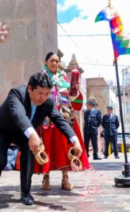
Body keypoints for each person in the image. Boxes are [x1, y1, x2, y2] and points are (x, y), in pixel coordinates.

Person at [0, 72, 83, 205]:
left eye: (47, 93)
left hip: (23, 133)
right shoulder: (17, 94)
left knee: (29, 155)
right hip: (1, 129)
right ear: (30, 88)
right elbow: (18, 114)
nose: (43, 97)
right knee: (1, 161)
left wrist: (74, 140)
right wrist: (32, 134)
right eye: (40, 93)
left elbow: (60, 120)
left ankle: (25, 192)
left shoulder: (48, 102)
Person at [33, 52, 90, 191]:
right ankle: (46, 178)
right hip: (46, 117)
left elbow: (71, 98)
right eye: (51, 60)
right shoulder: (40, 77)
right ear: (46, 61)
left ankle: (65, 178)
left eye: (57, 61)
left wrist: (74, 91)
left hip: (63, 115)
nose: (54, 63)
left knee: (65, 147)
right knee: (46, 146)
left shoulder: (63, 78)